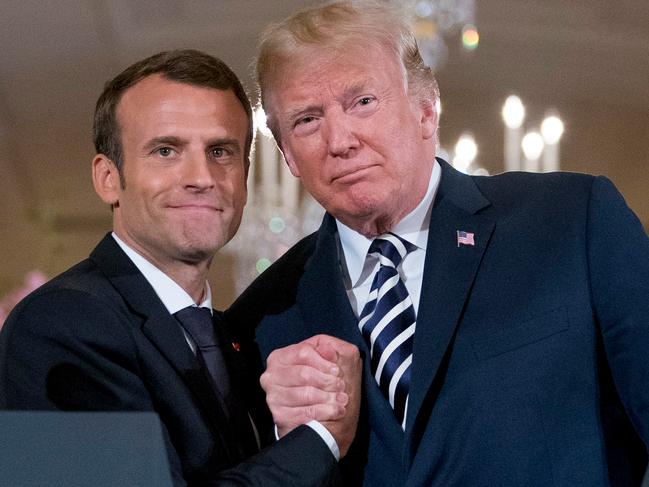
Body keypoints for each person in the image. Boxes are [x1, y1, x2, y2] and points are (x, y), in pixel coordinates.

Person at [225, 2, 649, 486]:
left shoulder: (572, 222)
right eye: (306, 120)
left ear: (427, 110)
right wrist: (291, 441)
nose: (339, 140)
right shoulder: (261, 320)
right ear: (287, 156)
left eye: (362, 101)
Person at [0, 49, 361, 487]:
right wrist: (320, 440)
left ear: (245, 177)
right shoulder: (60, 324)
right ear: (108, 178)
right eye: (166, 150)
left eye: (221, 151)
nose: (202, 177)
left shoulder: (235, 336)